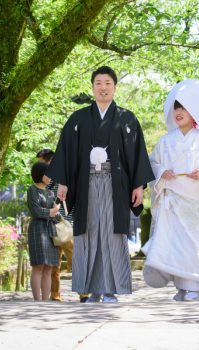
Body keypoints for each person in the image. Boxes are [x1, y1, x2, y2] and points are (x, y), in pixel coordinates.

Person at [46, 66, 154, 303]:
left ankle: (111, 289)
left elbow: (137, 154)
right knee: (88, 233)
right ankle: (91, 290)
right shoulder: (78, 119)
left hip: (116, 185)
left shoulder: (127, 118)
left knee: (113, 234)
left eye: (108, 83)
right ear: (92, 87)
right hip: (86, 184)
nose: (103, 87)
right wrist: (63, 183)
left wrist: (138, 186)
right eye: (98, 83)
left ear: (115, 87)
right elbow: (66, 151)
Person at [142, 79, 199, 301]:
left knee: (192, 244)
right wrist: (162, 171)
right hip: (172, 202)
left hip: (194, 203)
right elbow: (152, 163)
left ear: (195, 112)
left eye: (184, 108)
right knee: (173, 244)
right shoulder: (165, 141)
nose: (178, 112)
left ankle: (193, 286)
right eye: (176, 107)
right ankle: (181, 286)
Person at [36, 148, 89, 302]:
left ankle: (83, 293)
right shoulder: (44, 179)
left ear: (49, 161)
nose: (39, 166)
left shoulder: (61, 175)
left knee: (74, 259)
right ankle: (55, 295)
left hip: (66, 224)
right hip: (51, 225)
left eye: (41, 162)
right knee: (53, 263)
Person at [27, 161, 60, 301]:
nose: (50, 177)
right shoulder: (32, 190)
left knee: (49, 267)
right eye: (48, 174)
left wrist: (56, 213)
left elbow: (55, 215)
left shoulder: (51, 193)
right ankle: (37, 301)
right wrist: (52, 211)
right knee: (38, 266)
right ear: (40, 174)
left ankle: (45, 301)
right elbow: (36, 211)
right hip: (37, 230)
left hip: (50, 231)